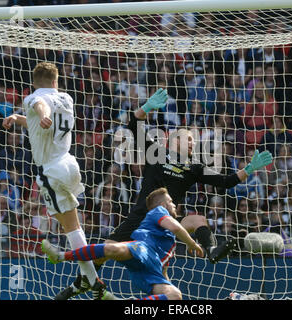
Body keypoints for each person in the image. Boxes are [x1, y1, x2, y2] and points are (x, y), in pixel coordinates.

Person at [57, 88, 273, 299]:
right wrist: (146, 107)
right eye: (188, 139)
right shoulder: (156, 153)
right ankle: (81, 282)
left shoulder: (194, 167)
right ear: (172, 140)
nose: (192, 143)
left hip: (167, 221)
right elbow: (133, 125)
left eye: (193, 142)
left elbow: (225, 182)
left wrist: (249, 169)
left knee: (197, 219)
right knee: (105, 251)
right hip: (141, 217)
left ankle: (211, 251)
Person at [2, 61, 104, 299]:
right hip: (69, 163)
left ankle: (92, 280)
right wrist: (19, 118)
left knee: (71, 228)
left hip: (50, 170)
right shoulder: (67, 98)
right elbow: (41, 122)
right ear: (56, 81)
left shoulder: (33, 97)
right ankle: (87, 276)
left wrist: (42, 114)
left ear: (33, 83)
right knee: (71, 224)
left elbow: (40, 108)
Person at [42, 187, 204, 300]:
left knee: (175, 296)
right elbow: (176, 227)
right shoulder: (158, 212)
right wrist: (192, 243)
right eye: (170, 201)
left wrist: (165, 283)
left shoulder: (168, 240)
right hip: (142, 249)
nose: (174, 204)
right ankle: (61, 255)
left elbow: (164, 268)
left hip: (150, 270)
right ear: (163, 205)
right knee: (113, 248)